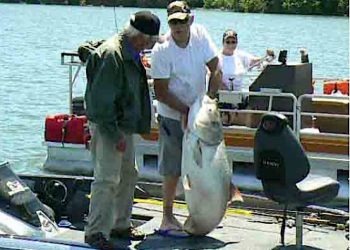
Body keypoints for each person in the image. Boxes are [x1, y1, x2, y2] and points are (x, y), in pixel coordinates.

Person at [84, 11, 160, 249]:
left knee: (129, 175)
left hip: (124, 126)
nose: (150, 46)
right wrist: (115, 135)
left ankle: (120, 225)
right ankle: (95, 232)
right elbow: (100, 105)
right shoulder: (112, 55)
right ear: (140, 37)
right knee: (106, 179)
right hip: (109, 126)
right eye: (150, 41)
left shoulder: (132, 52)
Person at [151, 1, 221, 236]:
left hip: (199, 113)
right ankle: (167, 216)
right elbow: (160, 91)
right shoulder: (161, 49)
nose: (177, 26)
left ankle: (201, 212)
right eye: (173, 22)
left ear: (190, 20)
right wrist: (185, 111)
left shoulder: (201, 35)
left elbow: (216, 68)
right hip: (172, 113)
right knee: (172, 168)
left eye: (182, 21)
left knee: (204, 166)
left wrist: (210, 99)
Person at [219, 29, 274, 125]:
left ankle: (253, 125)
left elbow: (254, 61)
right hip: (222, 93)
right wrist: (229, 93)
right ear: (223, 42)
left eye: (233, 42)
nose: (230, 44)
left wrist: (267, 56)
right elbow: (215, 78)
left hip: (238, 93)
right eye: (228, 42)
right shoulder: (217, 57)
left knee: (256, 99)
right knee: (230, 100)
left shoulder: (240, 55)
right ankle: (226, 121)